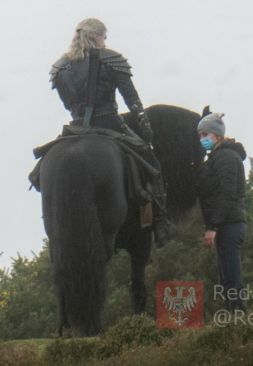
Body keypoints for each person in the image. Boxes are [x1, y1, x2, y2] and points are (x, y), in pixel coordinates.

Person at [47, 18, 173, 246]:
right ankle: (161, 223)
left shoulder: (59, 68)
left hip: (75, 129)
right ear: (97, 36)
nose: (105, 42)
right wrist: (145, 128)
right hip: (109, 125)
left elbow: (68, 104)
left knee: (43, 167)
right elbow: (132, 100)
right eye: (104, 37)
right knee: (151, 164)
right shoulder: (111, 59)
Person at [196, 112, 247, 310]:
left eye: (205, 134)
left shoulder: (226, 157)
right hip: (225, 224)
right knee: (225, 277)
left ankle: (239, 321)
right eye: (200, 135)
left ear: (217, 136)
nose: (202, 139)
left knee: (232, 278)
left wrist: (213, 226)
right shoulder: (216, 158)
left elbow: (226, 195)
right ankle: (233, 322)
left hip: (230, 224)